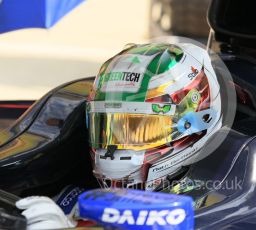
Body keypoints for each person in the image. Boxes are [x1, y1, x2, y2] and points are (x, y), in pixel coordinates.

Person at [15, 42, 226, 229]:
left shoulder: (219, 205)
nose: (117, 147)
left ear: (198, 124)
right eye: (109, 128)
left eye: (143, 129)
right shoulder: (67, 203)